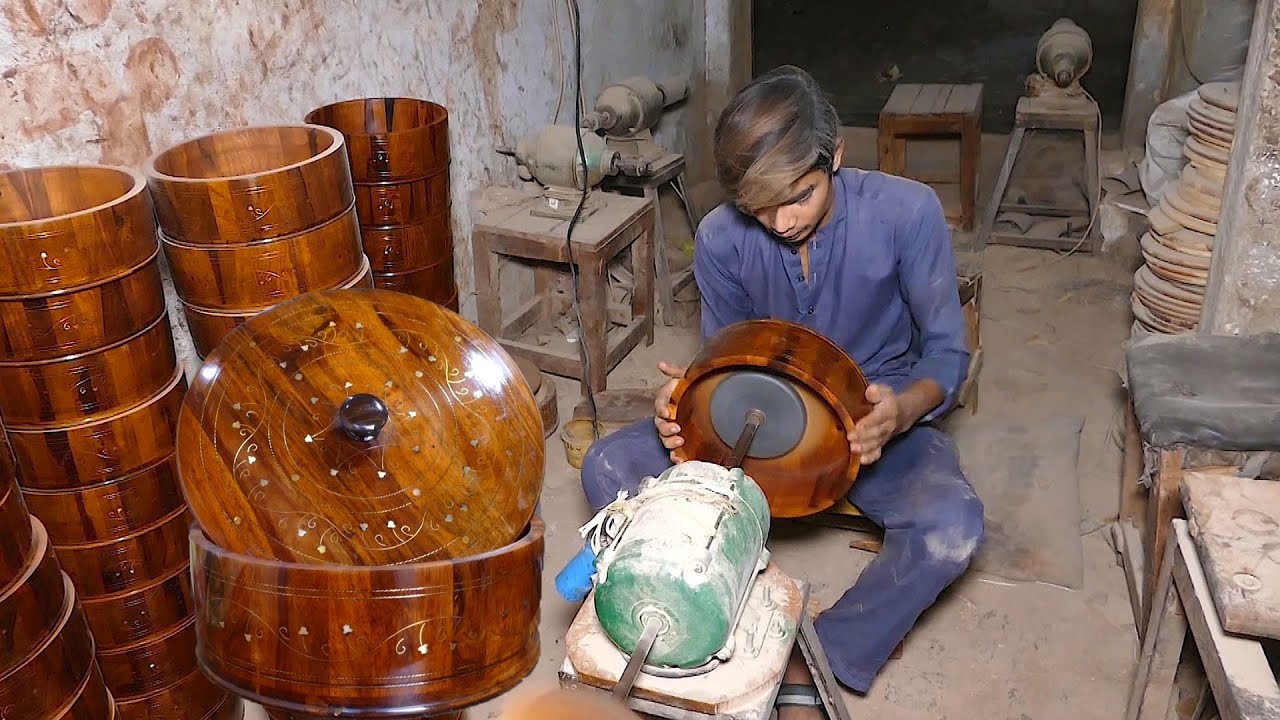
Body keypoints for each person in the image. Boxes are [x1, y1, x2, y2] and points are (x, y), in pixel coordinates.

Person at [579, 65, 985, 716]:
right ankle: (713, 614)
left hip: (868, 428)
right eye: (759, 206)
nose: (781, 220)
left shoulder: (907, 213)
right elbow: (724, 357)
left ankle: (819, 652)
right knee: (609, 465)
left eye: (799, 195)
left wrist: (904, 408)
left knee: (951, 525)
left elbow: (946, 352)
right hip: (761, 428)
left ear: (837, 157)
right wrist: (686, 402)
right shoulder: (721, 237)